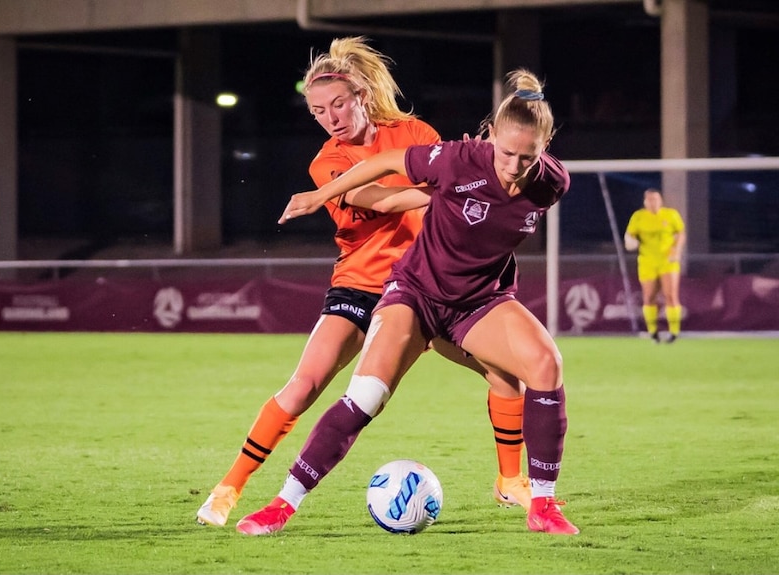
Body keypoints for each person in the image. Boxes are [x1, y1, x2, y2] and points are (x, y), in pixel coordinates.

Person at [196, 37, 530, 528]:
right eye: (317, 111)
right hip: (362, 286)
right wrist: (456, 187)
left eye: (337, 104)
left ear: (362, 98)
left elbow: (449, 183)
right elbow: (385, 200)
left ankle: (510, 483)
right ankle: (229, 488)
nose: (330, 118)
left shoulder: (414, 131)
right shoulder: (326, 164)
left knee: (508, 375)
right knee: (304, 385)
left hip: (428, 286)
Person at [623, 188, 686, 343]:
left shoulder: (671, 215)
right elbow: (629, 235)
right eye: (649, 200)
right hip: (647, 261)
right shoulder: (638, 217)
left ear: (661, 200)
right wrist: (630, 241)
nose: (653, 202)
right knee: (649, 296)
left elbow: (680, 233)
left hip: (667, 261)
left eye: (655, 199)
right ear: (645, 202)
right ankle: (653, 332)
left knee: (670, 295)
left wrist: (676, 251)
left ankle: (674, 333)